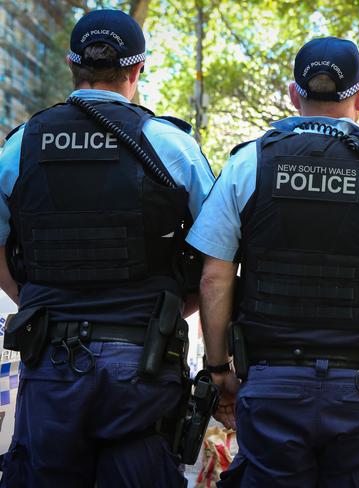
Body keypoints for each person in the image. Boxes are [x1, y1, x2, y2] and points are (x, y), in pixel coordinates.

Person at [188, 36, 359, 487]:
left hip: (272, 384)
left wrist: (218, 372)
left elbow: (215, 279)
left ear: (294, 95)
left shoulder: (249, 164)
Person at [0, 9, 215, 487]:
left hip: (51, 361)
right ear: (138, 69)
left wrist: (34, 303)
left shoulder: (21, 145)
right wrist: (177, 308)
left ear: (71, 65)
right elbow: (219, 256)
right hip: (143, 361)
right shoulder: (173, 146)